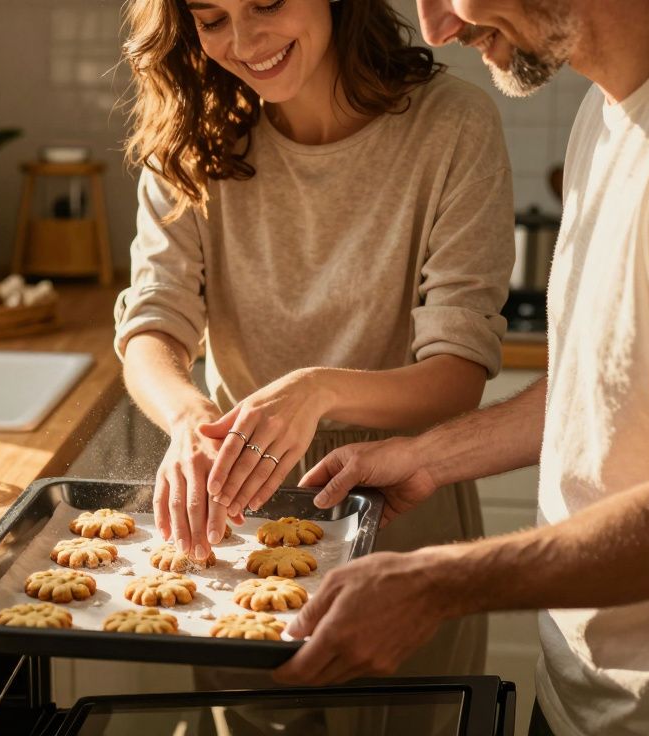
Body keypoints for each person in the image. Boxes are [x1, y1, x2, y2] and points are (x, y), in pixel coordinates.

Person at [272, 1, 649, 734]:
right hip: (581, 695)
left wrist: (437, 583)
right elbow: (602, 389)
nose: (436, 29)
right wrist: (425, 456)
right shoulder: (610, 108)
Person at [115, 0, 514, 679]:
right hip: (237, 504)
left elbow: (458, 372)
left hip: (401, 496)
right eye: (211, 20)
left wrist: (318, 390)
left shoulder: (453, 125)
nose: (244, 41)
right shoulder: (191, 137)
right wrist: (187, 419)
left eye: (266, 2)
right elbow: (153, 324)